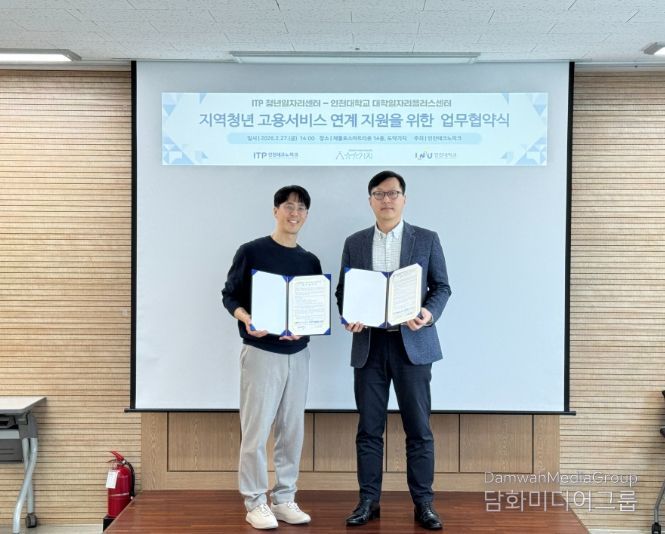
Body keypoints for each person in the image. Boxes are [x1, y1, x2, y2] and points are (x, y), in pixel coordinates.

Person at [335, 170, 451, 530]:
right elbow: (344, 291)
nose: (387, 200)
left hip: (411, 345)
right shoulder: (355, 242)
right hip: (369, 346)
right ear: (370, 200)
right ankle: (368, 501)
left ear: (404, 198)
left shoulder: (426, 239)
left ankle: (424, 504)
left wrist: (427, 314)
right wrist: (348, 316)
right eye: (379, 194)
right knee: (369, 429)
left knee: (419, 429)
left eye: (393, 193)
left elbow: (442, 287)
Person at [222, 185, 321, 530]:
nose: (295, 213)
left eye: (301, 208)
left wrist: (303, 331)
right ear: (276, 210)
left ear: (306, 215)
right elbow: (230, 296)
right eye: (288, 206)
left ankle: (284, 498)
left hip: (298, 354)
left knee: (291, 430)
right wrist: (247, 318)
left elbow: (312, 309)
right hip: (261, 353)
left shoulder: (310, 261)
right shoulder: (251, 251)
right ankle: (255, 502)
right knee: (256, 430)